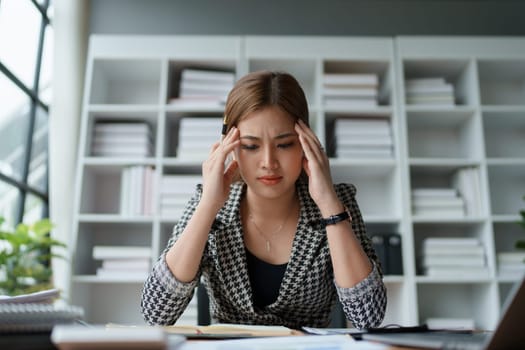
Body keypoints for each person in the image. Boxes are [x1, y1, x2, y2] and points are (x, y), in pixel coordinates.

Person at [141, 70, 386, 329]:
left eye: (284, 144)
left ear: (306, 143)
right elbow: (157, 314)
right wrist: (208, 207)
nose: (269, 163)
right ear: (230, 146)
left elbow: (368, 317)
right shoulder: (209, 205)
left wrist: (328, 204)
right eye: (250, 146)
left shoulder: (337, 204)